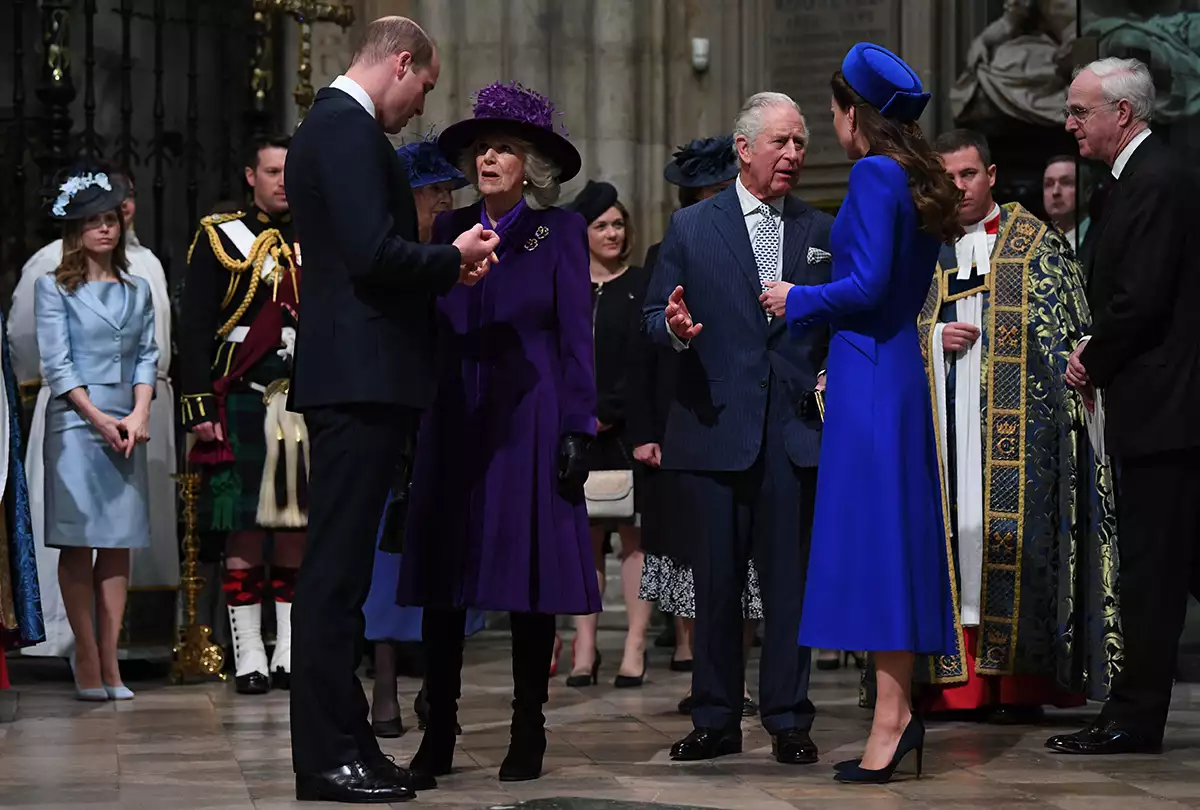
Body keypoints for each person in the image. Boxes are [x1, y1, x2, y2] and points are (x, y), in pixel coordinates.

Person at [284, 16, 499, 804]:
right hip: (356, 378)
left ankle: (351, 748)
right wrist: (454, 257)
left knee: (341, 576)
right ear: (401, 63)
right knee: (335, 578)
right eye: (424, 88)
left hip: (360, 377)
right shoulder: (345, 130)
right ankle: (324, 758)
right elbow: (374, 254)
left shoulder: (338, 128)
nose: (418, 108)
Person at [762, 43, 960, 783]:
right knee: (890, 548)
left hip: (872, 375)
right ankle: (895, 712)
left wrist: (798, 298)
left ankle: (892, 718)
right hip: (888, 371)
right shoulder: (905, 174)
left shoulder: (875, 173)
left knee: (878, 550)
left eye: (835, 112)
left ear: (854, 116)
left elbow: (872, 283)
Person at [398, 79, 598, 785]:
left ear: (530, 166)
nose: (488, 158)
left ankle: (527, 728)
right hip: (453, 418)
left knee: (527, 581)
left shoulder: (558, 232)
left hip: (530, 420)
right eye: (482, 147)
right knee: (444, 580)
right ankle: (439, 732)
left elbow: (578, 337)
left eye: (504, 148)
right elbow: (423, 328)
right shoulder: (448, 233)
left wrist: (580, 423)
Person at [643, 92, 833, 766]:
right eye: (780, 142)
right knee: (716, 591)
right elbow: (650, 318)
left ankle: (787, 717)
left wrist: (831, 374)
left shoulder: (822, 231)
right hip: (713, 431)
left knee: (789, 593)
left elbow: (841, 323)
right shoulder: (692, 229)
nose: (793, 155)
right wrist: (670, 329)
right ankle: (716, 718)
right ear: (743, 149)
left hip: (790, 437)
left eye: (801, 143)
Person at [905, 129, 1118, 722]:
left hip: (1020, 440)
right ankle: (953, 686)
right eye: (946, 178)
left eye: (968, 175)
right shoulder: (919, 247)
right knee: (955, 536)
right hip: (941, 429)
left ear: (991, 175)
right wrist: (930, 337)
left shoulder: (1039, 247)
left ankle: (1017, 687)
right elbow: (885, 329)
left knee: (1008, 543)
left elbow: (1068, 337)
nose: (958, 188)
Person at [1051, 56, 1200, 756]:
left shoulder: (1157, 181)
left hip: (1164, 412)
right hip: (1154, 407)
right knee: (1167, 569)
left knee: (1151, 574)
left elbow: (1138, 299)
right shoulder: (1132, 181)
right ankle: (1130, 710)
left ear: (1124, 114)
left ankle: (1133, 720)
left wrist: (1091, 356)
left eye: (1081, 111)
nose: (1069, 122)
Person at [12, 164, 176, 663]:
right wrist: (100, 418)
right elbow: (56, 363)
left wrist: (140, 410)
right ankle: (86, 654)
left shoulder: (136, 286)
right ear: (74, 231)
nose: (104, 228)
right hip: (77, 422)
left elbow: (148, 352)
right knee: (79, 542)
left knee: (120, 541)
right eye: (92, 221)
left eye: (110, 219)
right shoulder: (53, 285)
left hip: (128, 419)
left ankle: (109, 653)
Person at [632, 135, 765, 717]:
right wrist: (651, 427)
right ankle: (704, 674)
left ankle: (738, 676)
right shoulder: (673, 245)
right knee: (699, 561)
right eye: (706, 194)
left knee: (749, 567)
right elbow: (649, 345)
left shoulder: (771, 239)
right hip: (692, 416)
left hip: (753, 417)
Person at [363, 136, 485, 739]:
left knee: (450, 562)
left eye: (445, 191)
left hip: (451, 413)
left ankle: (440, 690)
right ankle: (384, 688)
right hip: (397, 429)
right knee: (388, 569)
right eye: (435, 191)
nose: (444, 201)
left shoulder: (459, 250)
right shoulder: (390, 253)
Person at [179, 134, 306, 696]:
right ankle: (250, 653)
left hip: (302, 397)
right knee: (243, 525)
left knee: (297, 524)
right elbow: (193, 326)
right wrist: (199, 403)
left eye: (290, 171)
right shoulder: (218, 236)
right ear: (251, 176)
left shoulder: (319, 235)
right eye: (273, 171)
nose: (282, 181)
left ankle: (289, 650)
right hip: (240, 396)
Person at [559, 179, 651, 689]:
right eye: (602, 225)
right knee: (583, 538)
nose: (613, 232)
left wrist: (611, 410)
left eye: (619, 224)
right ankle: (585, 645)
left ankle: (634, 644)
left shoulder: (639, 284)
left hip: (627, 426)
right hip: (577, 427)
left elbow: (645, 359)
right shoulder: (568, 284)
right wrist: (579, 412)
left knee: (633, 539)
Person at [1043, 155, 1090, 252]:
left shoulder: (1105, 238)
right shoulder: (1033, 243)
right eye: (1049, 184)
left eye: (1066, 183)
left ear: (1087, 192)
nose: (1055, 192)